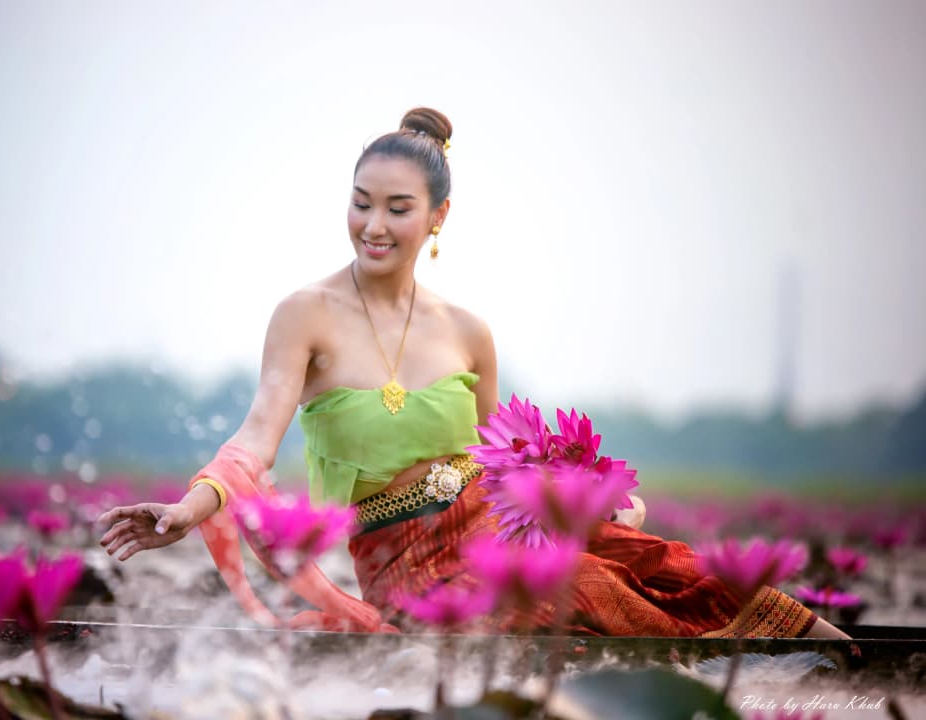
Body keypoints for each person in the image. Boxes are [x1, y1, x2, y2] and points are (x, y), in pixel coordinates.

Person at [97, 107, 849, 640]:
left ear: (438, 218)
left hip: (497, 529)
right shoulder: (305, 315)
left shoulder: (468, 331)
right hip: (404, 559)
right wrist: (188, 511)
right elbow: (254, 440)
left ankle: (843, 663)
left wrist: (592, 500)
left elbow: (508, 465)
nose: (373, 226)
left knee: (669, 567)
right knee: (579, 587)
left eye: (398, 209)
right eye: (360, 204)